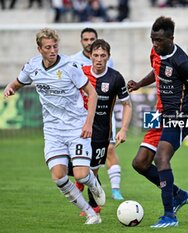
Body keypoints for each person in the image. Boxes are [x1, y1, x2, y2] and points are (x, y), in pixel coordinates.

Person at [3, 28, 104, 224]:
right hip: (53, 130)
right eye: (48, 47)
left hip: (76, 127)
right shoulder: (32, 66)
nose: (52, 50)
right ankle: (91, 213)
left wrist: (88, 123)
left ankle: (94, 184)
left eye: (55, 46)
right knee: (58, 177)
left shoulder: (69, 66)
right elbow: (17, 82)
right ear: (39, 48)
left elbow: (92, 93)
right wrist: (10, 88)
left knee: (82, 175)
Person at [127, 16, 188, 228]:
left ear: (171, 39)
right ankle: (179, 194)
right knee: (139, 163)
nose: (155, 45)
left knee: (161, 157)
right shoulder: (155, 52)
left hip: (181, 116)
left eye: (159, 41)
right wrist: (139, 83)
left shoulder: (183, 63)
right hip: (161, 115)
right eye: (152, 40)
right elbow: (157, 72)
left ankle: (169, 216)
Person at [78, 39, 132, 216]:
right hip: (77, 129)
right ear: (90, 56)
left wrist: (123, 129)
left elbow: (127, 105)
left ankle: (93, 207)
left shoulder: (115, 77)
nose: (99, 59)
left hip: (101, 132)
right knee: (73, 168)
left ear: (108, 57)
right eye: (95, 55)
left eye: (103, 56)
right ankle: (81, 183)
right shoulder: (81, 73)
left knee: (92, 172)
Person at [71, 27, 124, 201]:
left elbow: (111, 85)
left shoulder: (111, 67)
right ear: (81, 42)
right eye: (85, 39)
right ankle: (82, 180)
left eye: (91, 39)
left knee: (108, 151)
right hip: (81, 120)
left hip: (104, 119)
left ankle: (114, 190)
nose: (89, 42)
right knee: (75, 163)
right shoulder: (74, 62)